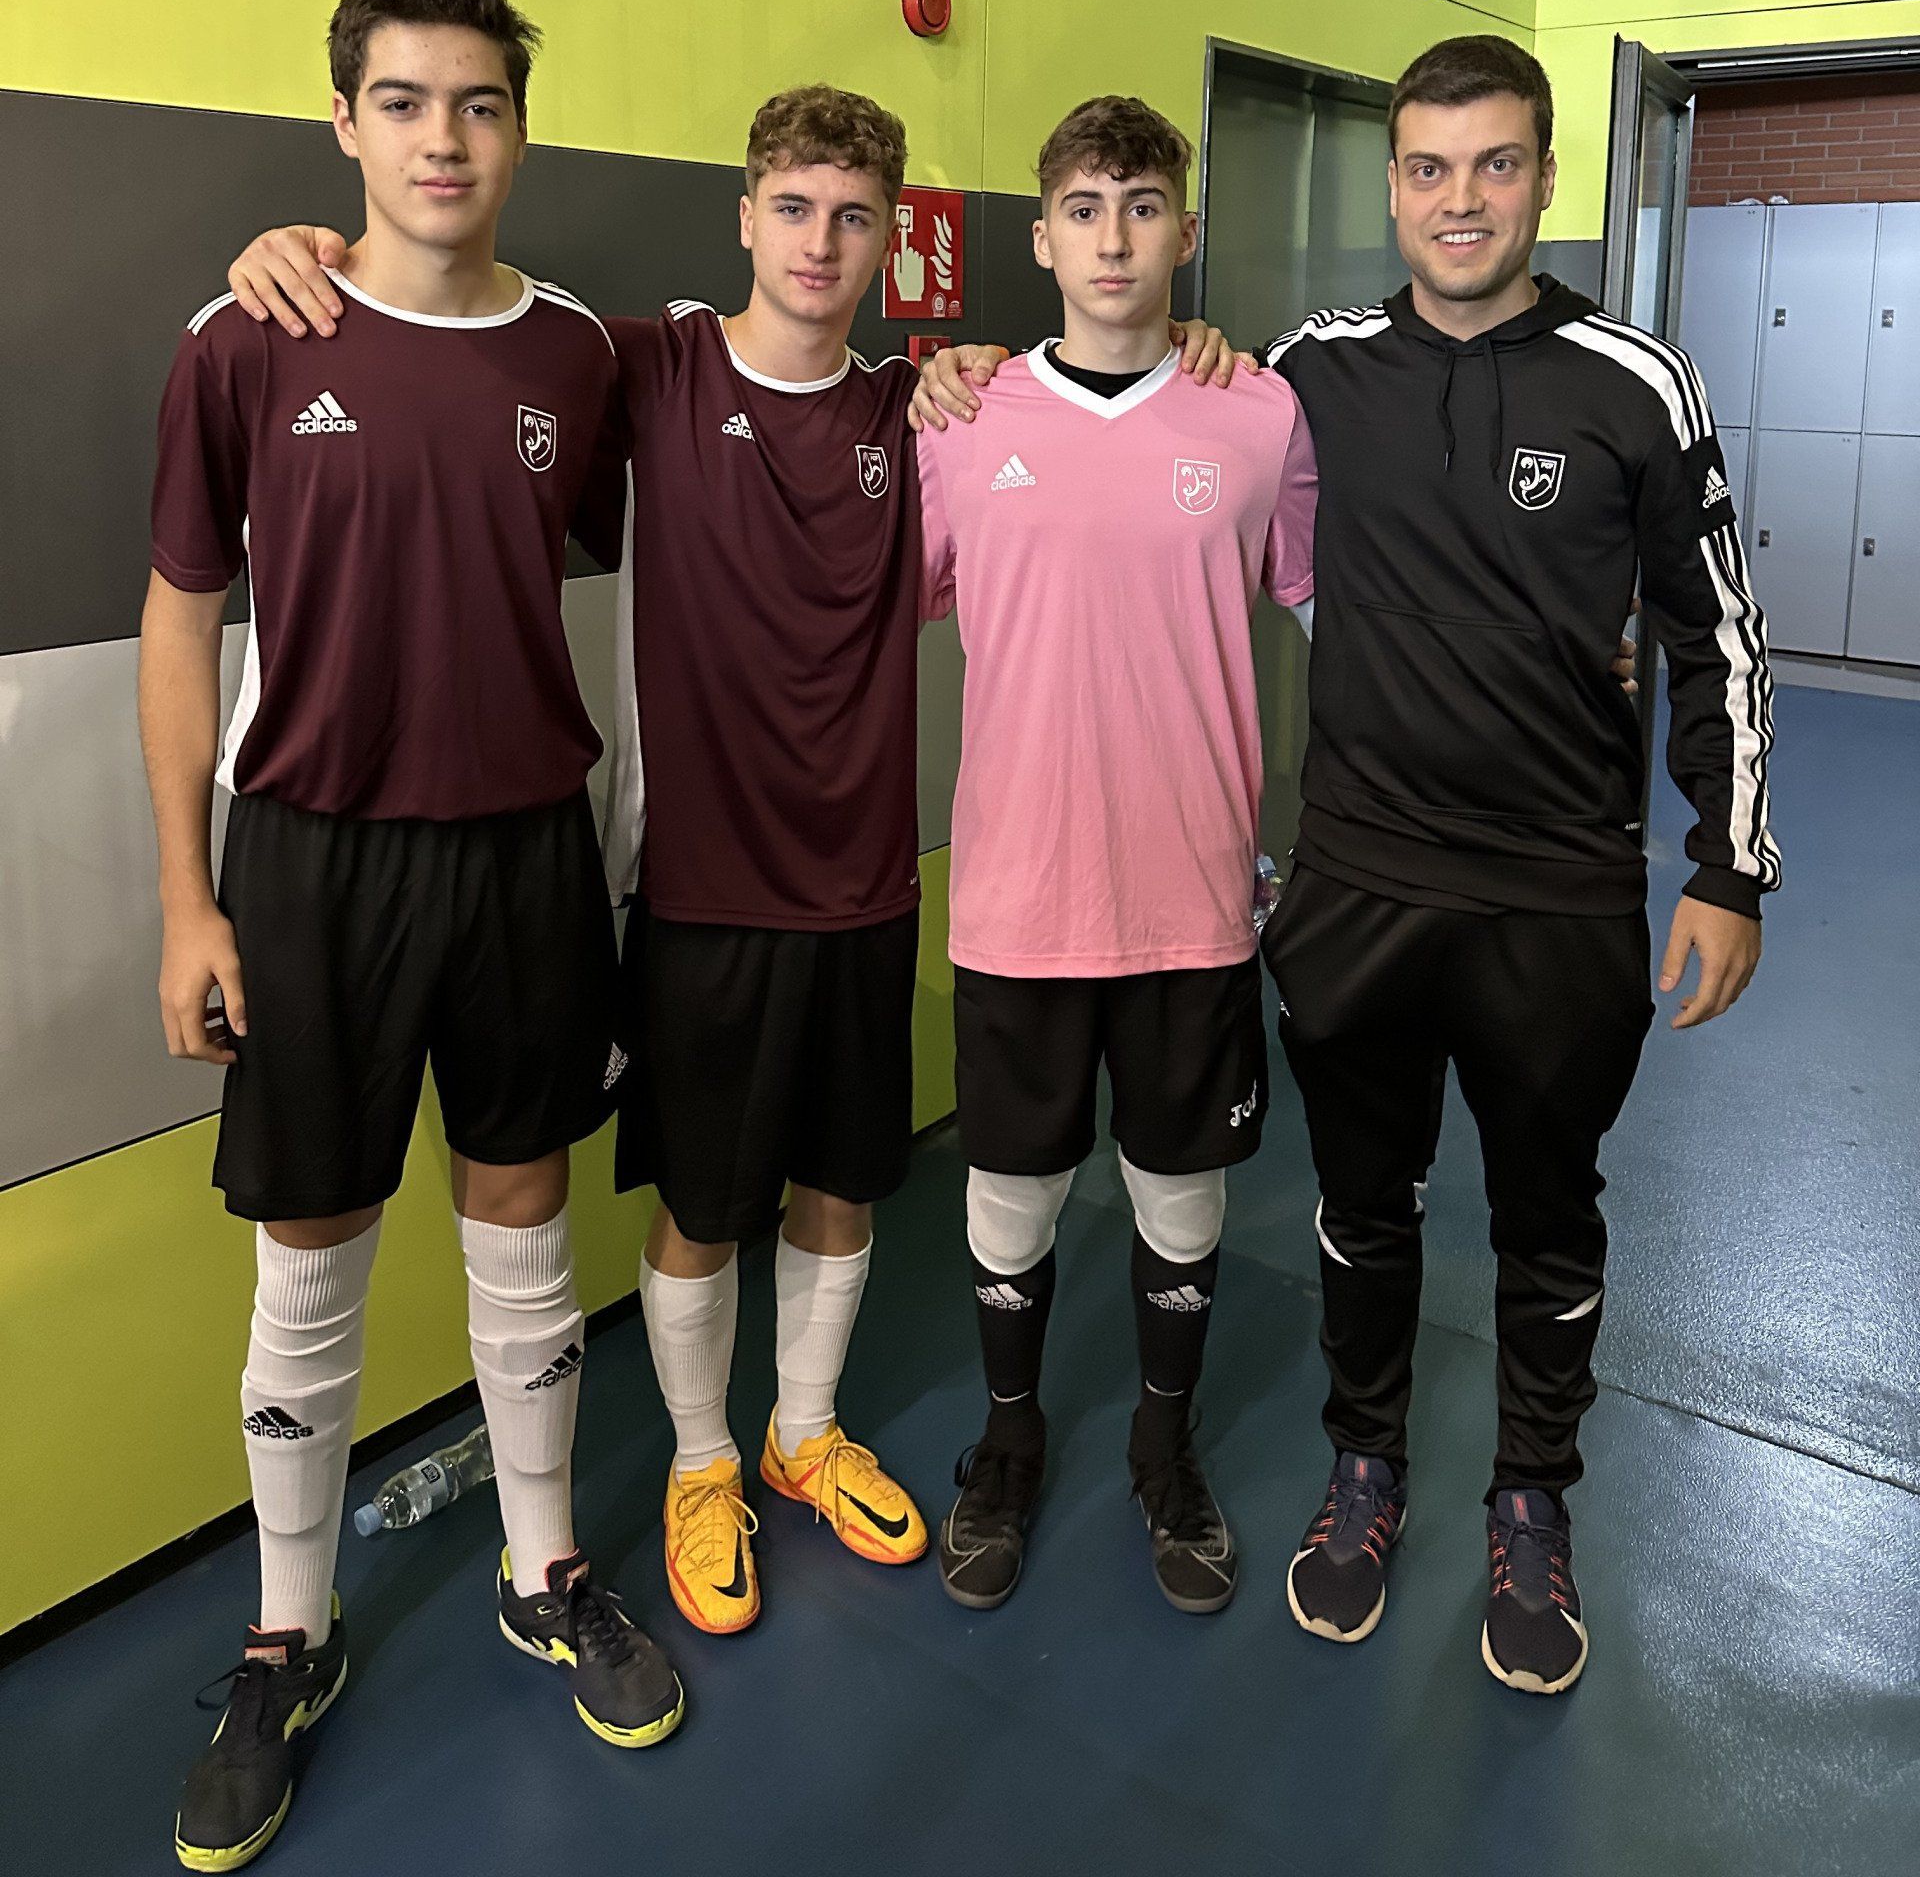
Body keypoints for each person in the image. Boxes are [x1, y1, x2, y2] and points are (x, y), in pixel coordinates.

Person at [221, 88, 1247, 1646]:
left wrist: (1176, 348)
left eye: (854, 217)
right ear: (745, 217)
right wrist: (308, 251)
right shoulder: (646, 368)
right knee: (704, 1204)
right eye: (793, 208)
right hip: (697, 887)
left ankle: (803, 1433)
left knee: (842, 1185)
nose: (820, 242)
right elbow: (456, 319)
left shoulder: (926, 407)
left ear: (891, 240)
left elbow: (1081, 408)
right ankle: (704, 1461)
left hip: (868, 885)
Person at [144, 0, 682, 1875]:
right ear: (344, 123)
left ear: (519, 130)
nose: (444, 138)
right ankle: (286, 1634)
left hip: (527, 851)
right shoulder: (247, 335)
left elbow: (756, 411)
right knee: (314, 1249)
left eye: (480, 103)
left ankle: (546, 1571)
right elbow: (179, 622)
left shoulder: (580, 357)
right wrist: (186, 897)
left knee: (523, 1220)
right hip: (314, 862)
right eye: (404, 101)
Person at [1259, 34, 1775, 1696]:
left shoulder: (1637, 381)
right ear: (1392, 184)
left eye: (1495, 164)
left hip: (1558, 890)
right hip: (1358, 880)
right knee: (1364, 1205)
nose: (1461, 200)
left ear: (1548, 177)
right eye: (1429, 167)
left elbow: (1717, 632)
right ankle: (1365, 1466)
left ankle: (1532, 1498)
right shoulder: (1309, 369)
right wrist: (964, 378)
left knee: (1550, 1214)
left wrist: (1729, 867)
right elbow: (1146, 423)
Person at [915, 96, 1317, 1614]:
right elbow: (880, 595)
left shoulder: (1259, 417)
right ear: (1040, 238)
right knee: (1010, 1191)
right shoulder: (963, 421)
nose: (1114, 237)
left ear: (1185, 233)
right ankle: (1009, 1442)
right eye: (1084, 207)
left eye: (1143, 206)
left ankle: (1164, 1444)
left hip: (1191, 896)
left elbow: (1338, 606)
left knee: (1178, 1188)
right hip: (1019, 894)